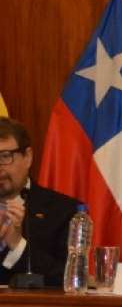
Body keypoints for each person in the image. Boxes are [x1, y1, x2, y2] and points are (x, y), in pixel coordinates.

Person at [0, 117, 78, 287]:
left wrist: (17, 244)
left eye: (5, 156)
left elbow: (70, 278)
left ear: (27, 157)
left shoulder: (65, 211)